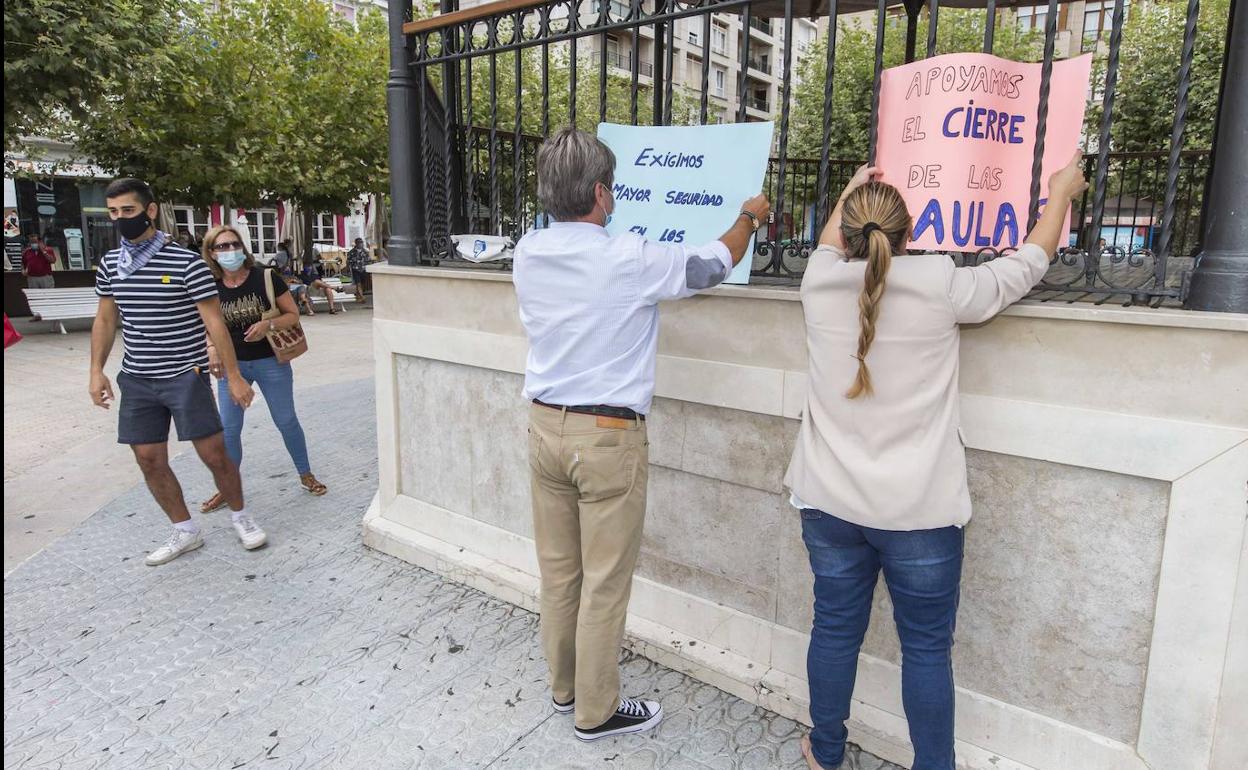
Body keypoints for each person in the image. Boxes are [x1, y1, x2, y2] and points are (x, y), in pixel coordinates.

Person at [787, 154, 1088, 770]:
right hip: (920, 515)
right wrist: (1059, 194)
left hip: (828, 505)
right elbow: (1028, 262)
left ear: (843, 232)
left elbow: (827, 242)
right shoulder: (942, 284)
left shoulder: (816, 281)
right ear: (913, 232)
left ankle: (824, 752)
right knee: (926, 651)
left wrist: (850, 188)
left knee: (834, 630)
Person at [513, 128, 771, 742]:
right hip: (605, 438)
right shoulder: (626, 256)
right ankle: (596, 712)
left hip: (544, 426)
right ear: (601, 193)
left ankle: (565, 686)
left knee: (559, 572)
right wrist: (748, 217)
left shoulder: (528, 250)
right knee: (604, 581)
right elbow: (712, 263)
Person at [88, 178, 266, 566]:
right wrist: (96, 371)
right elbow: (105, 319)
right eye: (113, 213)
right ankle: (185, 529)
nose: (120, 219)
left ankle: (240, 515)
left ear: (150, 211)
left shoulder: (186, 262)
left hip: (186, 374)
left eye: (128, 211)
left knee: (215, 455)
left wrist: (233, 376)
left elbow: (215, 323)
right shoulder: (109, 265)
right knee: (149, 459)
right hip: (136, 378)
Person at [196, 225, 327, 513]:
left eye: (233, 244)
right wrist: (212, 348)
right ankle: (226, 488)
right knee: (229, 429)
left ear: (242, 247)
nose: (229, 251)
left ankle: (305, 474)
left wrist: (267, 324)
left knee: (286, 420)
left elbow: (292, 314)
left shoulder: (265, 277)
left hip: (271, 362)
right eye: (221, 247)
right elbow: (207, 325)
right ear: (212, 254)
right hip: (233, 367)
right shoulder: (209, 285)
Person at [346, 237, 370, 303]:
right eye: (359, 243)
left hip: (363, 269)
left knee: (363, 284)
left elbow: (368, 260)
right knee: (358, 284)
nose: (360, 244)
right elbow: (348, 261)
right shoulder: (351, 252)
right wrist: (348, 268)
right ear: (356, 243)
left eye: (361, 242)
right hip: (355, 270)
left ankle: (358, 295)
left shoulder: (365, 251)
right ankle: (362, 297)